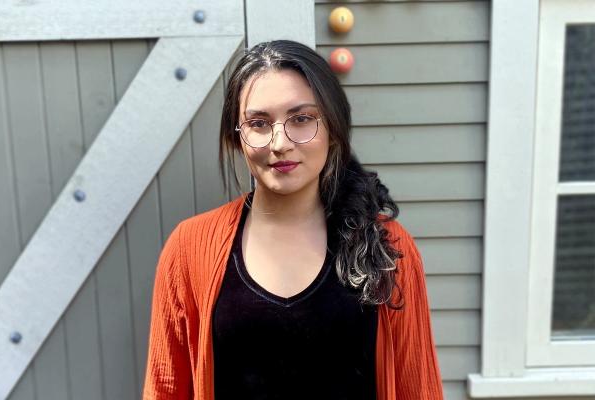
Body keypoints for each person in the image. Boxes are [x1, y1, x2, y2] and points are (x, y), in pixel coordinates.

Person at [142, 40, 443, 400]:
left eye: (301, 119)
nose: (280, 142)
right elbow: (166, 389)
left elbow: (418, 389)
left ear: (332, 129)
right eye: (259, 123)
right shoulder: (188, 249)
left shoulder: (388, 249)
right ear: (237, 138)